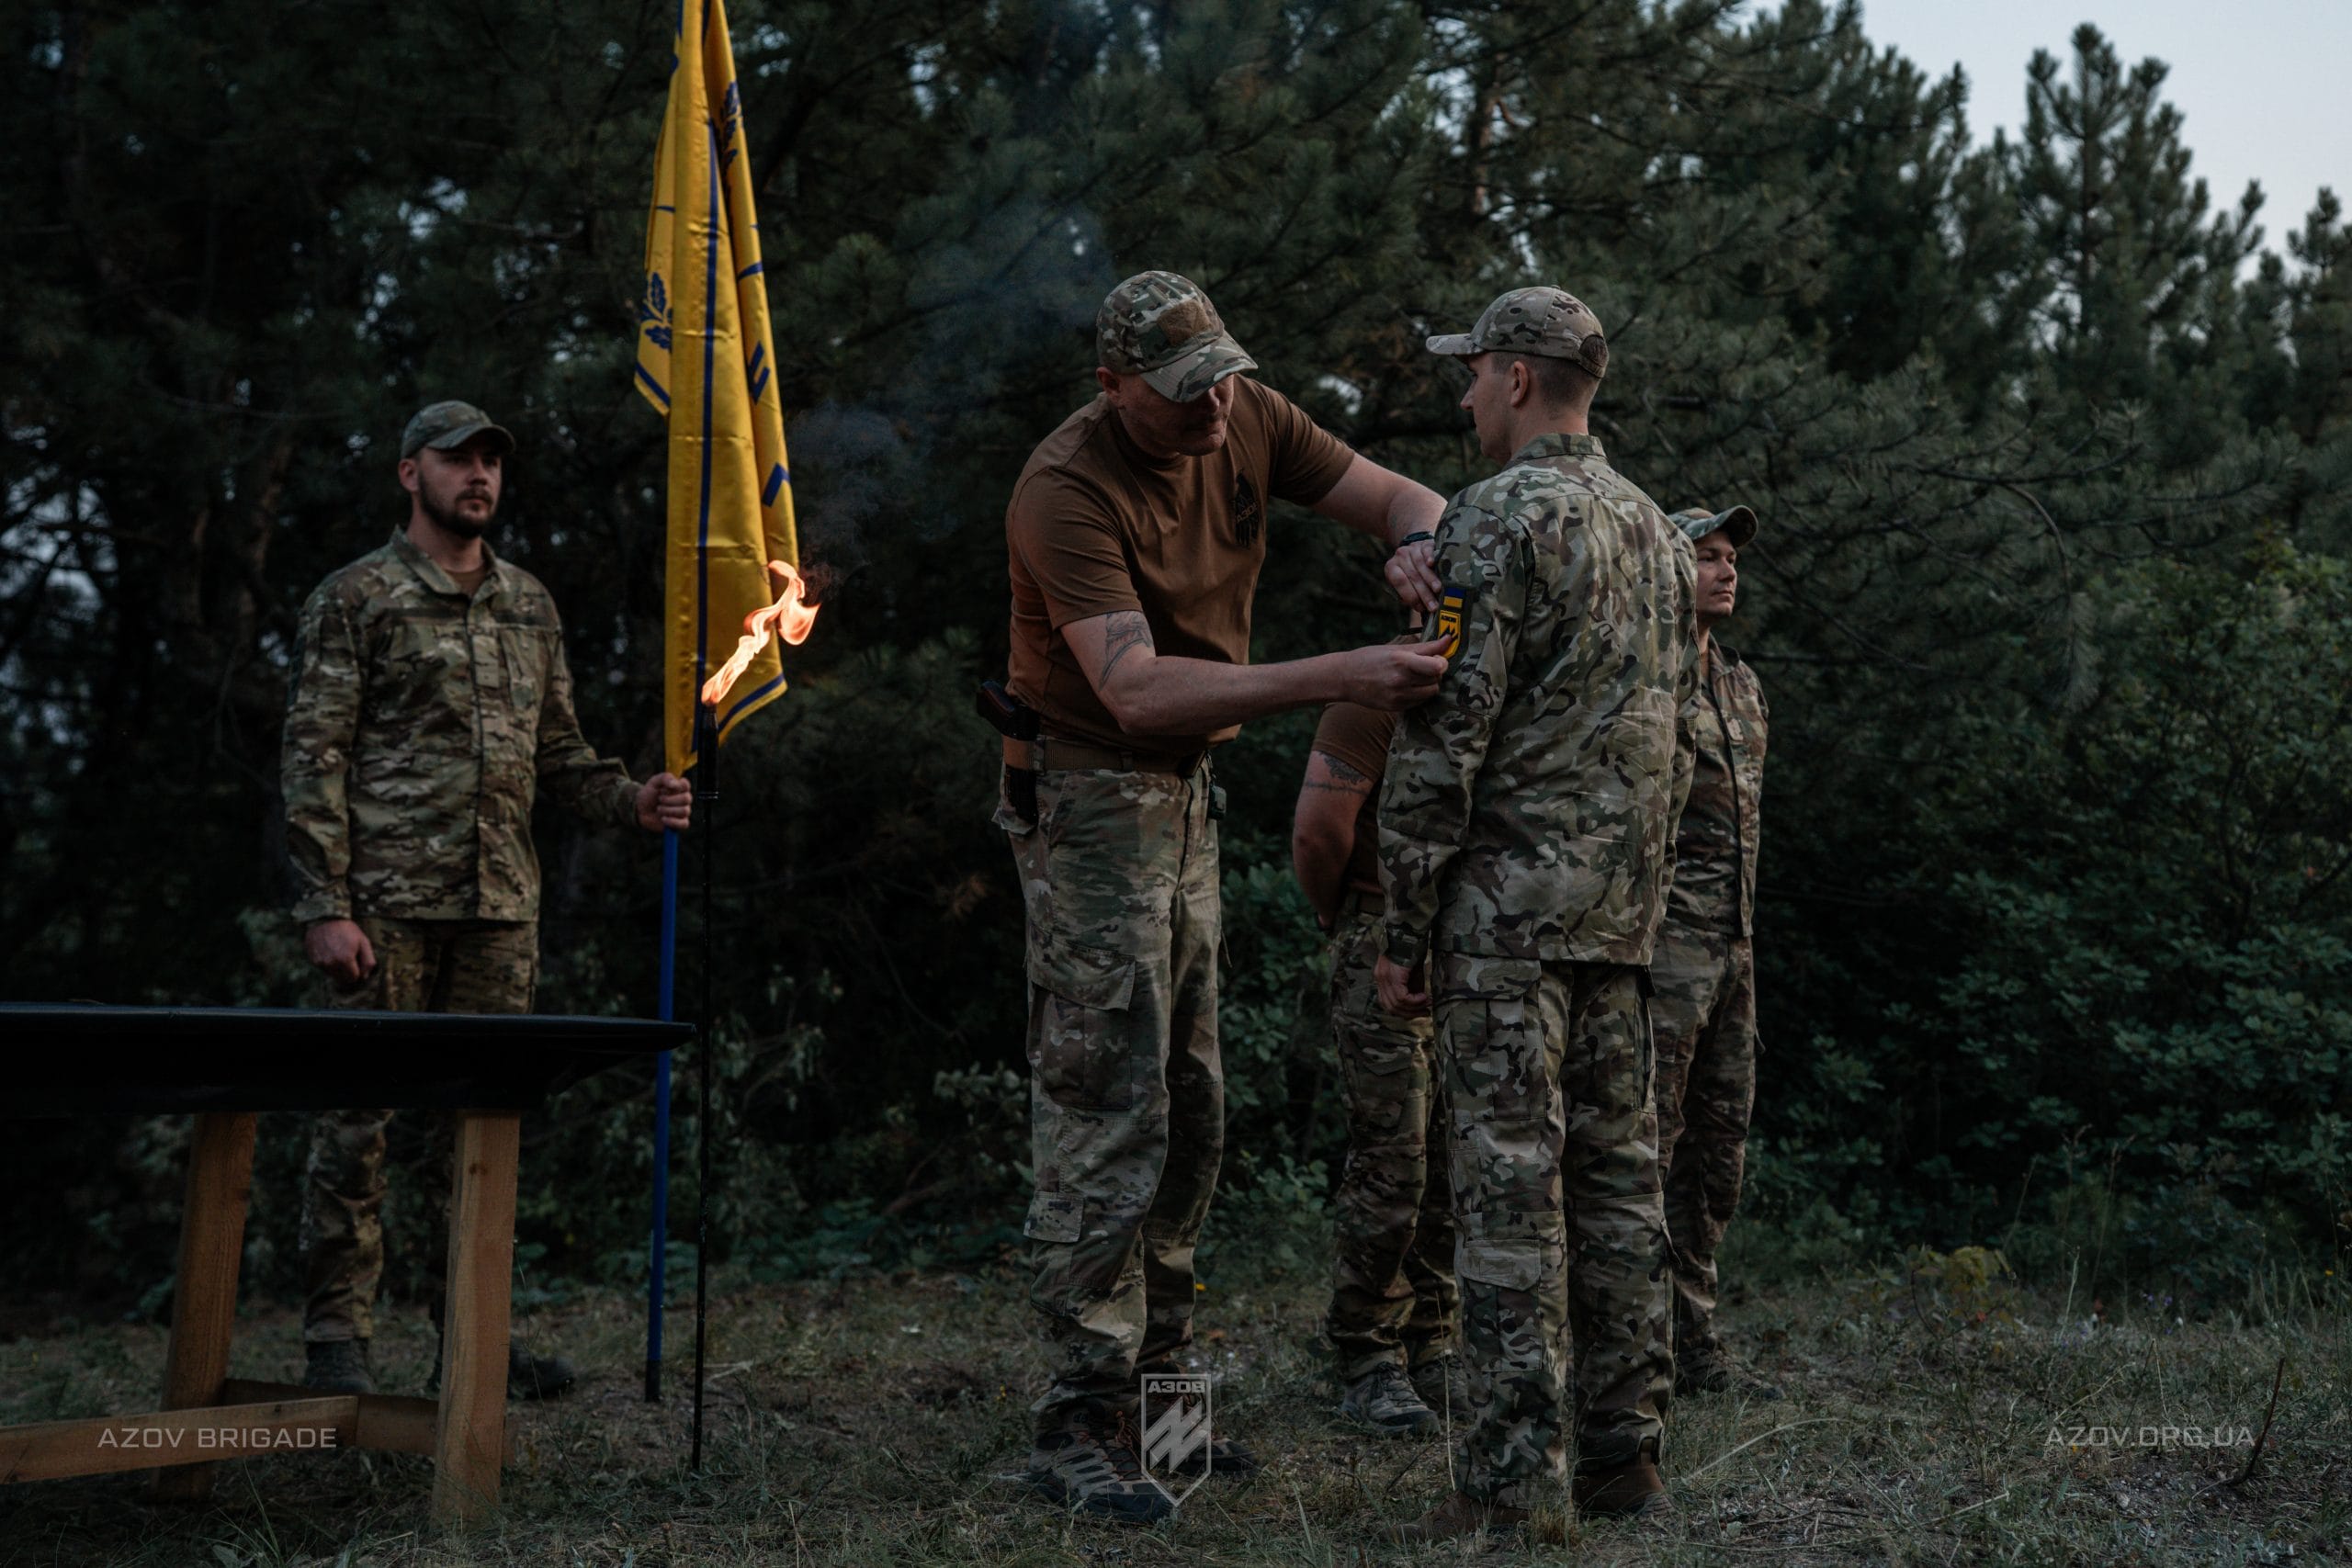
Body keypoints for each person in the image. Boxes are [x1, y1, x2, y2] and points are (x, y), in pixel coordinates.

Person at [1004, 270, 1453, 1523]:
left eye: (1221, 382)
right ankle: (1079, 1412)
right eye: (1183, 394)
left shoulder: (1243, 410)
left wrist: (1416, 539)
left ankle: (1167, 1402)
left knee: (1193, 1100)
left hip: (1183, 802)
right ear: (1114, 388)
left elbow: (1399, 492)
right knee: (1110, 1096)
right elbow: (1136, 690)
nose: (1214, 413)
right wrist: (1341, 671)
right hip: (1091, 801)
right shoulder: (1066, 486)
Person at [281, 400, 692, 1399]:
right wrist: (323, 903)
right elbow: (314, 755)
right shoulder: (357, 598)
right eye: (457, 459)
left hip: (499, 910)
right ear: (407, 472)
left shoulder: (528, 604)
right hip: (383, 908)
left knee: (482, 1127)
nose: (479, 476)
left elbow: (558, 752)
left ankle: (471, 1337)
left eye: (491, 462)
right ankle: (340, 1344)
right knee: (357, 1123)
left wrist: (630, 799)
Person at [1374, 288, 1697, 1540]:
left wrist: (1405, 918)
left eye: (1473, 373)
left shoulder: (1494, 521)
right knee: (1620, 1190)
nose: (1462, 396)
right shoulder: (1662, 534)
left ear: (1516, 375)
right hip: (1622, 921)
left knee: (1507, 1196)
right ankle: (1626, 1461)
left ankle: (1510, 1486)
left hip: (1506, 922)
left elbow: (1445, 735)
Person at [1291, 682, 1461, 1438]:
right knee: (1396, 1157)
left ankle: (1434, 1339)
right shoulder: (1368, 702)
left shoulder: (1505, 695)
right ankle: (1368, 1355)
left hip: (1473, 948)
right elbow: (1319, 832)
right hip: (1378, 941)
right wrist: (1345, 917)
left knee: (1456, 1154)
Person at [1655, 504, 1778, 1400]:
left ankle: (1693, 1342)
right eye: (1705, 556)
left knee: (1716, 1157)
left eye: (1730, 557)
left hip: (1732, 958)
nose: (1724, 571)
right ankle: (1622, 1354)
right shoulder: (1637, 684)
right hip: (1657, 961)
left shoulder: (1741, 687)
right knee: (1639, 1152)